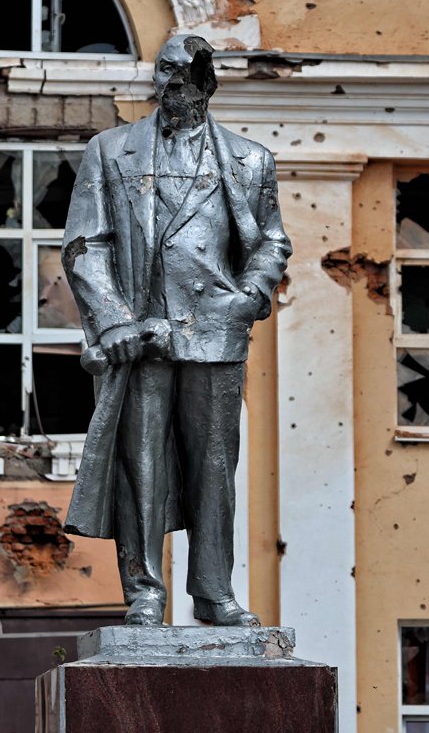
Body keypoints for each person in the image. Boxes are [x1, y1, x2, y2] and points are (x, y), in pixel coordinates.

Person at [61, 34, 292, 626]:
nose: (173, 86)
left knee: (214, 467)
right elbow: (85, 243)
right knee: (140, 466)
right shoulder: (111, 150)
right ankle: (143, 591)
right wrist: (111, 319)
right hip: (141, 335)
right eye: (165, 73)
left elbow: (271, 240)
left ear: (208, 84)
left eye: (186, 77)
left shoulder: (248, 159)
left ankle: (213, 592)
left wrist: (251, 295)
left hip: (216, 334)